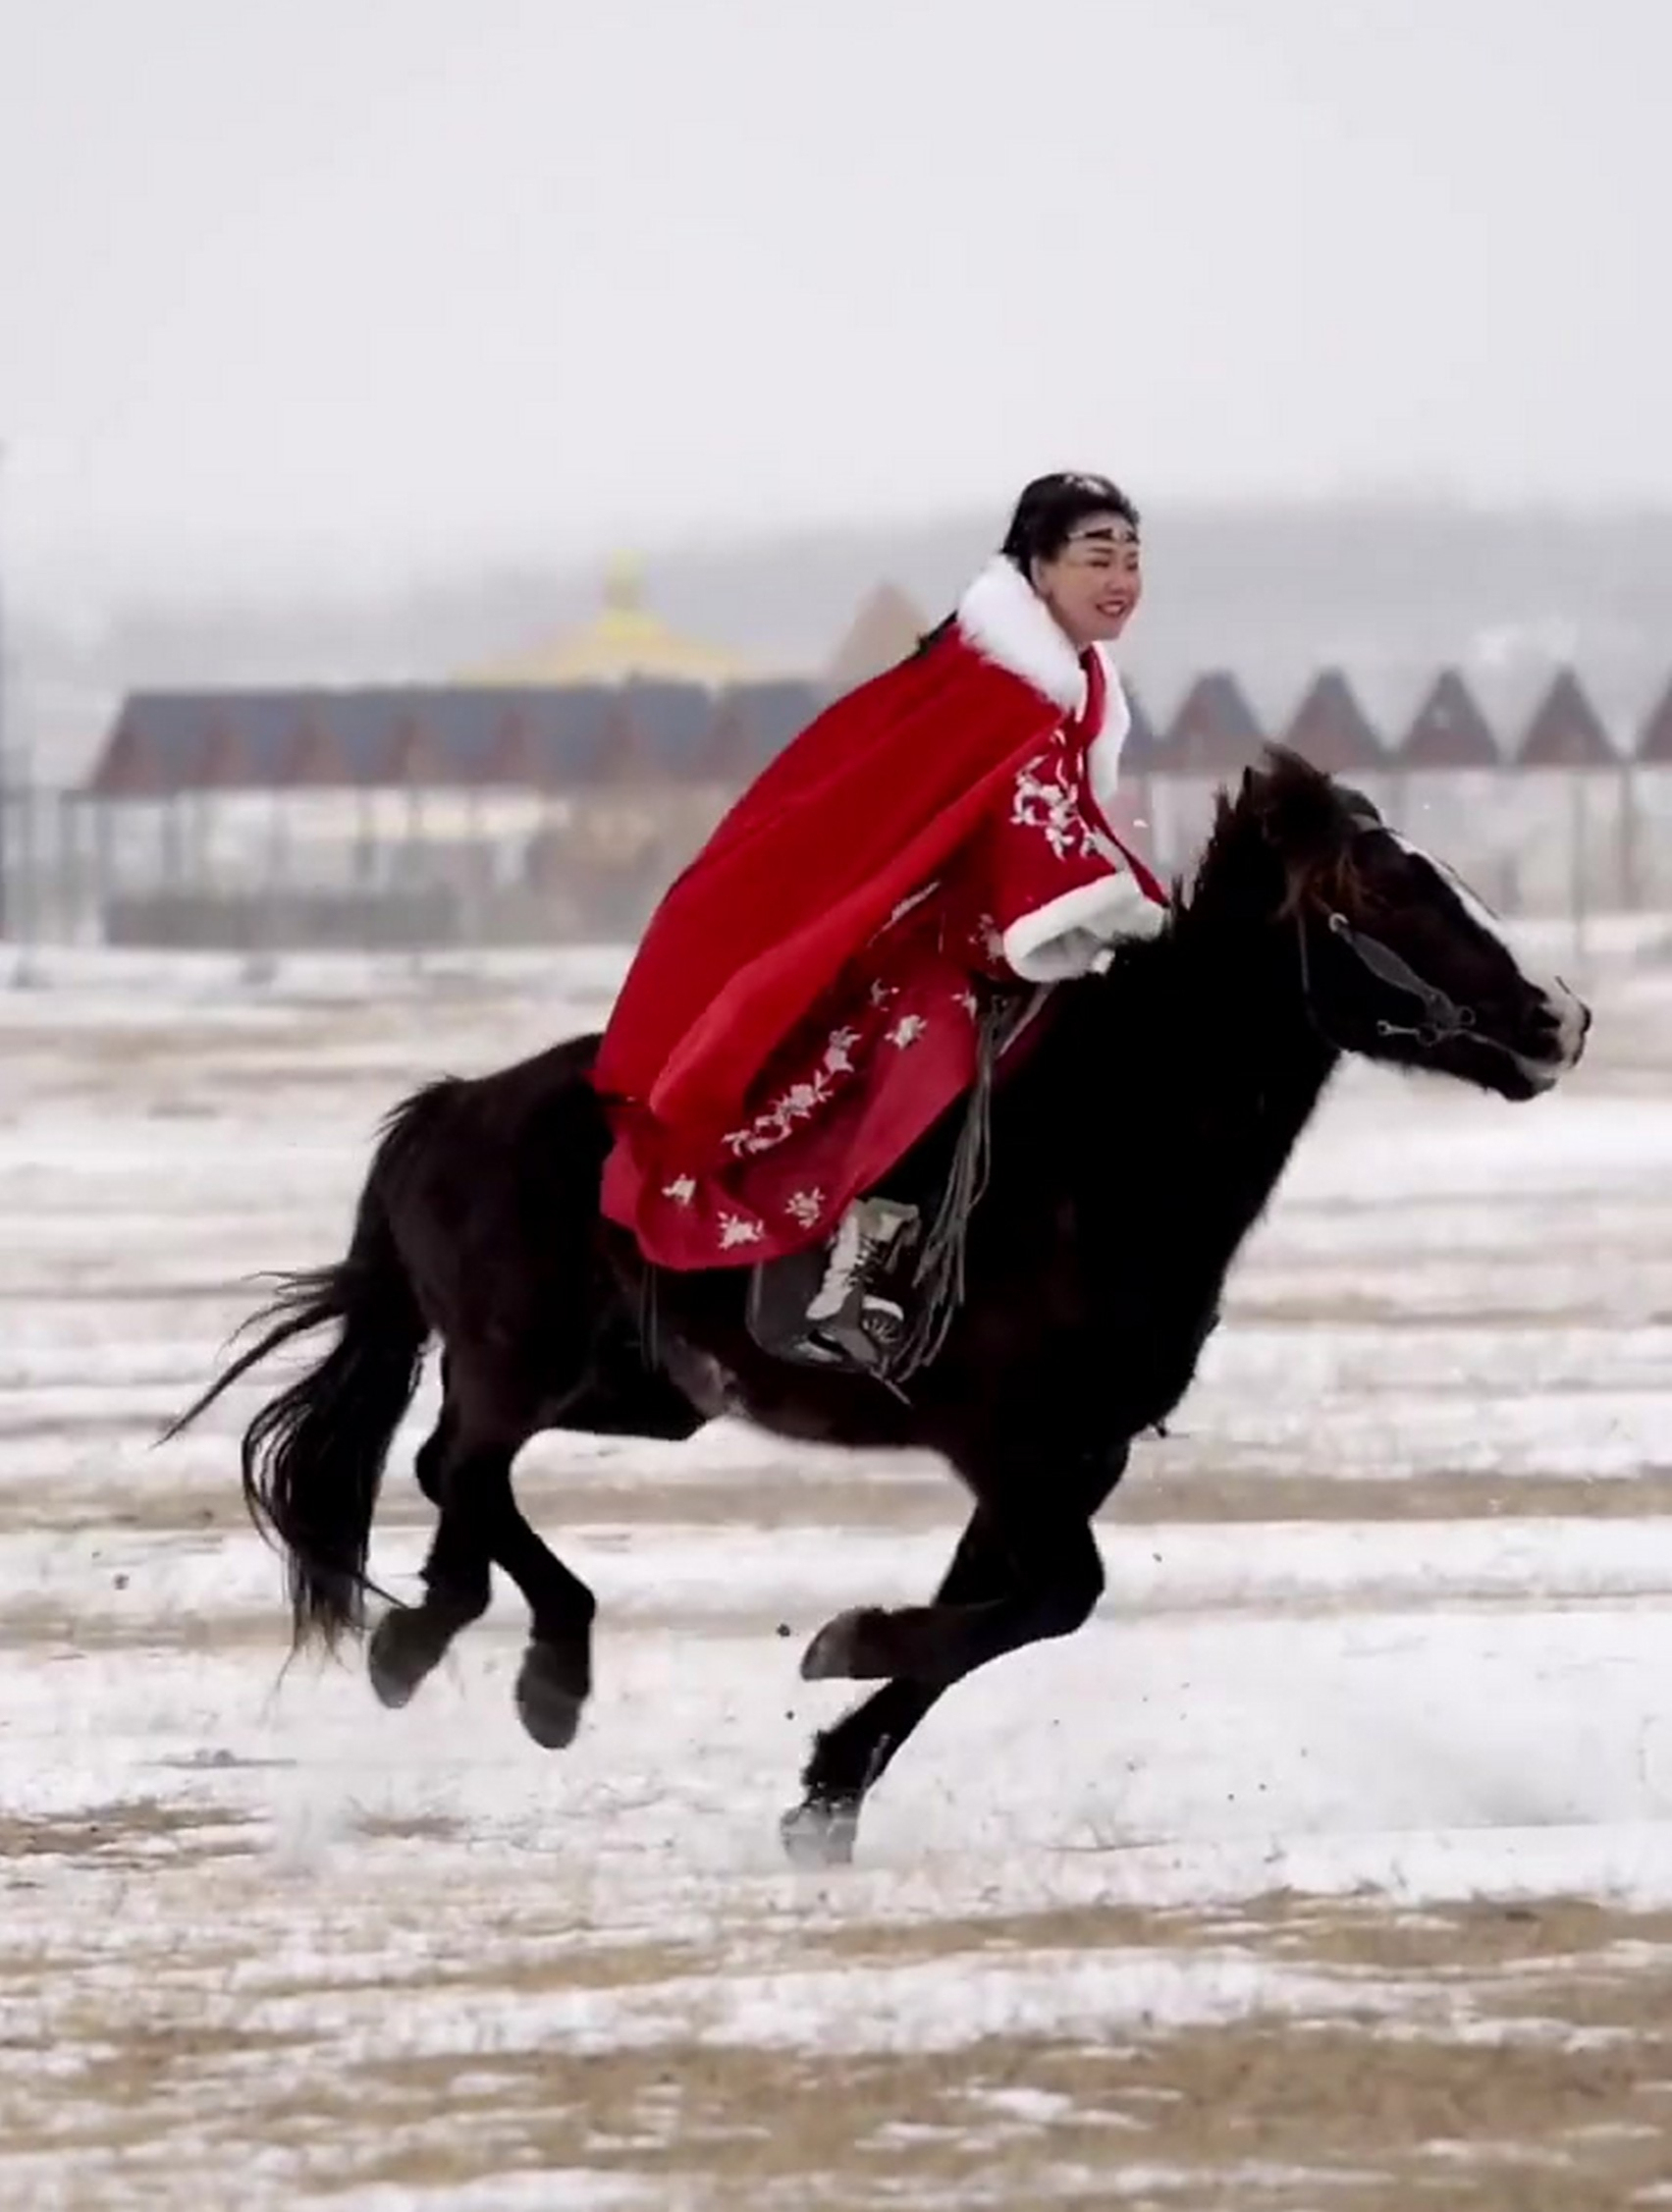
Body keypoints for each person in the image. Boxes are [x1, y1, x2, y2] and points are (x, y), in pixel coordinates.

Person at [589, 472, 1170, 1375]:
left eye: (1132, 560)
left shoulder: (1079, 685)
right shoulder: (999, 683)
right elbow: (1013, 820)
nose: (1121, 578)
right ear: (1038, 568)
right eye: (1098, 557)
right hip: (918, 936)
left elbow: (1050, 828)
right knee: (930, 1036)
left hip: (996, 926)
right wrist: (1110, 911)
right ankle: (853, 1266)